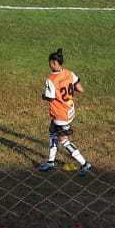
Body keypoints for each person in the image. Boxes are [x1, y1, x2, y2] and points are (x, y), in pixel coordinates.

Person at [38, 48, 91, 176]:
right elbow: (80, 89)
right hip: (69, 110)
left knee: (64, 141)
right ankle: (51, 161)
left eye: (50, 62)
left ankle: (84, 164)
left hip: (60, 114)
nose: (49, 65)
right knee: (52, 133)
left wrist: (43, 96)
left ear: (54, 63)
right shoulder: (69, 73)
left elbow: (50, 97)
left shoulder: (51, 79)